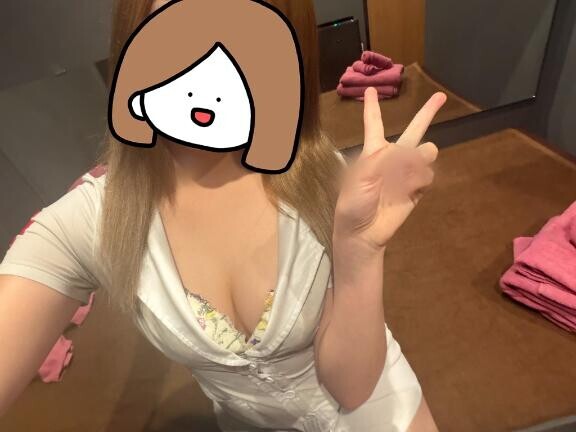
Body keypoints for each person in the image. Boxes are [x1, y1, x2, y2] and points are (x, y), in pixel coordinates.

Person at [0, 0, 446, 430]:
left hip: (377, 407)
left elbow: (353, 386)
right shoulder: (90, 221)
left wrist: (359, 254)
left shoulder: (317, 171)